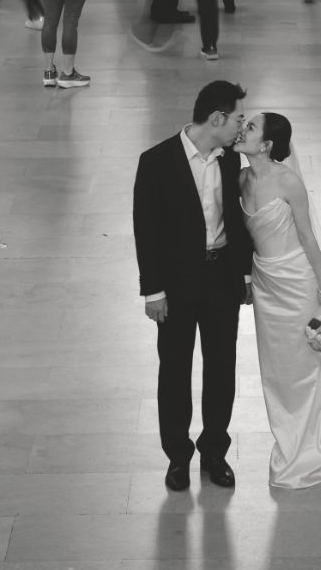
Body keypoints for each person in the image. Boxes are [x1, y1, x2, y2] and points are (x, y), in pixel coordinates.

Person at [238, 111, 321, 487]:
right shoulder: (241, 178)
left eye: (250, 128)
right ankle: (293, 433)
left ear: (266, 145)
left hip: (297, 280)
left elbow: (307, 237)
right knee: (280, 367)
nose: (242, 129)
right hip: (266, 283)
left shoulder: (289, 182)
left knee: (310, 358)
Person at [133, 80, 252, 492]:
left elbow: (236, 218)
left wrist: (245, 274)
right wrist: (153, 291)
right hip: (177, 285)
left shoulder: (232, 159)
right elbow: (145, 231)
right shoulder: (155, 162)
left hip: (221, 278)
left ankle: (215, 452)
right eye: (238, 117)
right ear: (216, 119)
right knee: (175, 370)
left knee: (222, 368)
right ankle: (178, 457)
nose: (242, 125)